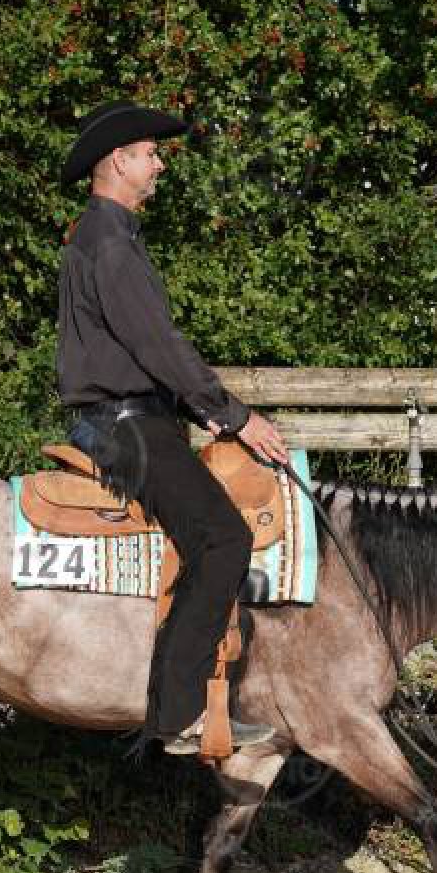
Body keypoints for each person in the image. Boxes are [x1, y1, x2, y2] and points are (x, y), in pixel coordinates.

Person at [56, 101, 288, 755]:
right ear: (119, 161)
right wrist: (236, 415)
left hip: (133, 418)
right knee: (224, 539)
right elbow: (157, 344)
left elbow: (143, 352)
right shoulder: (110, 244)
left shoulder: (107, 237)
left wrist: (204, 412)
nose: (159, 165)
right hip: (126, 427)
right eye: (151, 154)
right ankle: (180, 713)